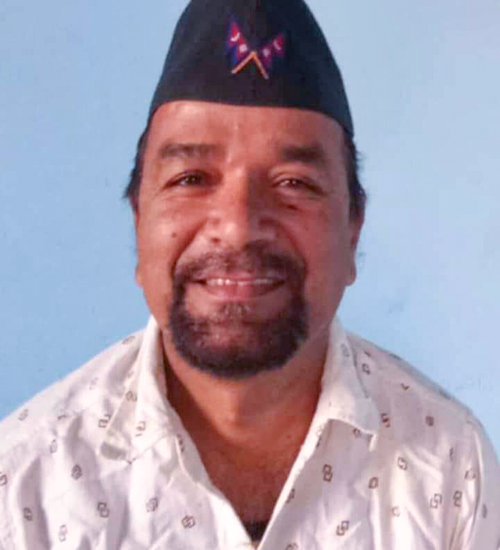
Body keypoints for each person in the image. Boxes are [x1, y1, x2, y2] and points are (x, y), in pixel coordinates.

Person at [0, 0, 498, 548]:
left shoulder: (450, 468)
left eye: (294, 184)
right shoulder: (25, 484)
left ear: (353, 229)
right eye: (191, 178)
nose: (237, 228)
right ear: (139, 219)